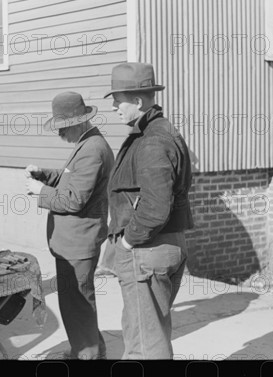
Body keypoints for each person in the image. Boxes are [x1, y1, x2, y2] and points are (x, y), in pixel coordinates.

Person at [104, 63, 194, 359]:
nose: (115, 106)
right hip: (163, 245)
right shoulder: (157, 131)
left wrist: (128, 242)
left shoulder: (153, 140)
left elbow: (156, 206)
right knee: (143, 330)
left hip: (147, 248)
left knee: (146, 346)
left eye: (119, 100)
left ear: (139, 102)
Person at [25, 91, 114, 360]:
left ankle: (86, 355)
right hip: (75, 241)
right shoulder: (88, 144)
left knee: (77, 304)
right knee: (79, 302)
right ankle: (90, 348)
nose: (59, 134)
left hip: (78, 243)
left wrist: (39, 190)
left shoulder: (92, 150)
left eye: (62, 128)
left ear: (78, 122)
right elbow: (69, 179)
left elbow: (73, 200)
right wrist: (44, 174)